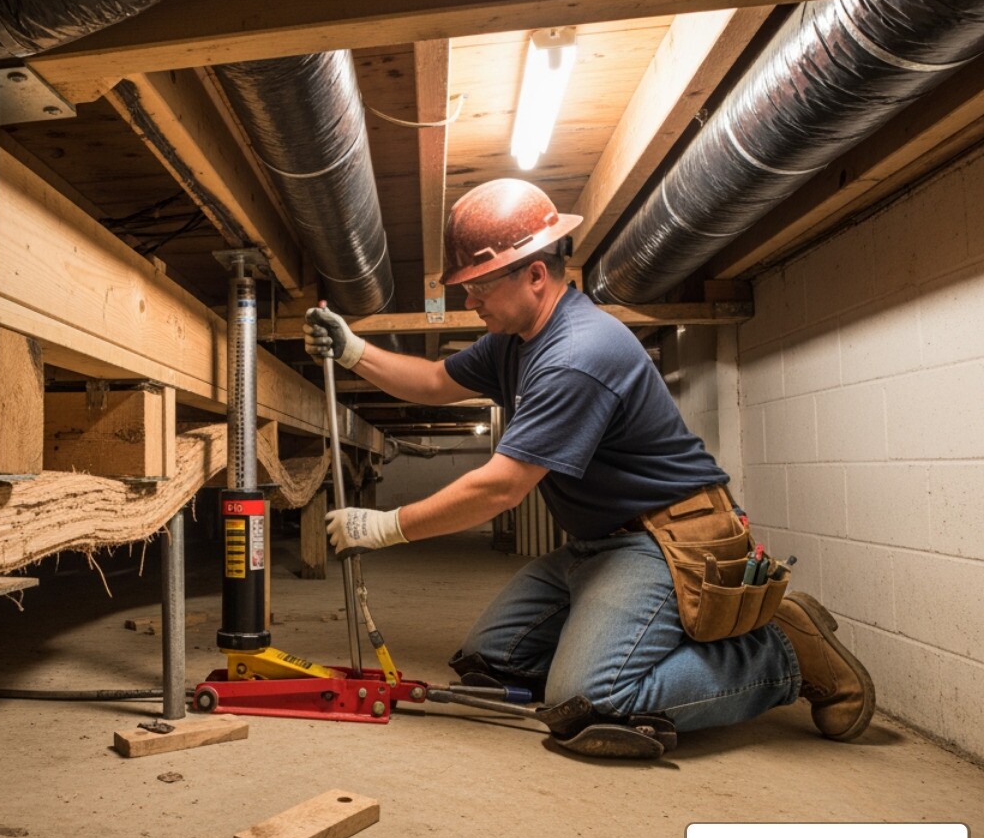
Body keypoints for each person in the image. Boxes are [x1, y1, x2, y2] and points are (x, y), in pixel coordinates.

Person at [304, 177, 874, 758]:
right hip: (597, 546)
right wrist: (354, 350)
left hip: (663, 541)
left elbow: (501, 488)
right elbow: (431, 382)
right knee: (492, 666)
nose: (467, 301)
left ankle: (779, 652)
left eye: (478, 286)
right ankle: (626, 633)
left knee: (588, 701)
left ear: (534, 274)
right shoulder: (515, 338)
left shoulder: (577, 355)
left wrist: (385, 526)